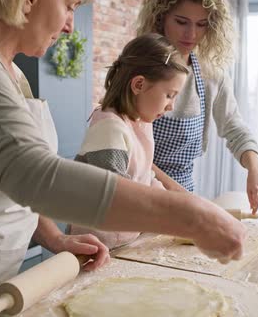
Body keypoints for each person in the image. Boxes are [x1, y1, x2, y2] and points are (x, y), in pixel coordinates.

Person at [0, 0, 246, 293]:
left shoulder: (6, 70)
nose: (71, 26)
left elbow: (5, 175)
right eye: (70, 6)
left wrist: (52, 238)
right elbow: (36, 175)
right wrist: (191, 215)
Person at [136, 0, 258, 218]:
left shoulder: (211, 75)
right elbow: (131, 149)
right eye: (182, 22)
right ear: (161, 18)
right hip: (138, 194)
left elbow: (234, 127)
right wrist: (177, 194)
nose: (191, 34)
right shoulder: (137, 67)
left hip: (184, 195)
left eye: (201, 24)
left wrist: (256, 169)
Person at [68, 33, 189, 249]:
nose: (171, 106)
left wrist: (178, 207)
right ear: (139, 84)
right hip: (95, 246)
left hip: (124, 240)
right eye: (169, 95)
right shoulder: (109, 127)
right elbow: (117, 196)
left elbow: (144, 178)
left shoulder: (140, 122)